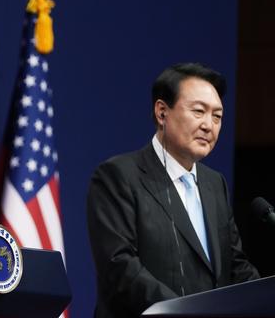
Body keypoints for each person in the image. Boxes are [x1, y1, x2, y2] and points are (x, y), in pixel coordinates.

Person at [86, 63, 259, 318]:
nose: (208, 125)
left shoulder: (215, 184)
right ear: (162, 112)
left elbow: (235, 266)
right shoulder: (118, 176)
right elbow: (120, 268)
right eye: (199, 111)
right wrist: (188, 312)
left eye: (217, 116)